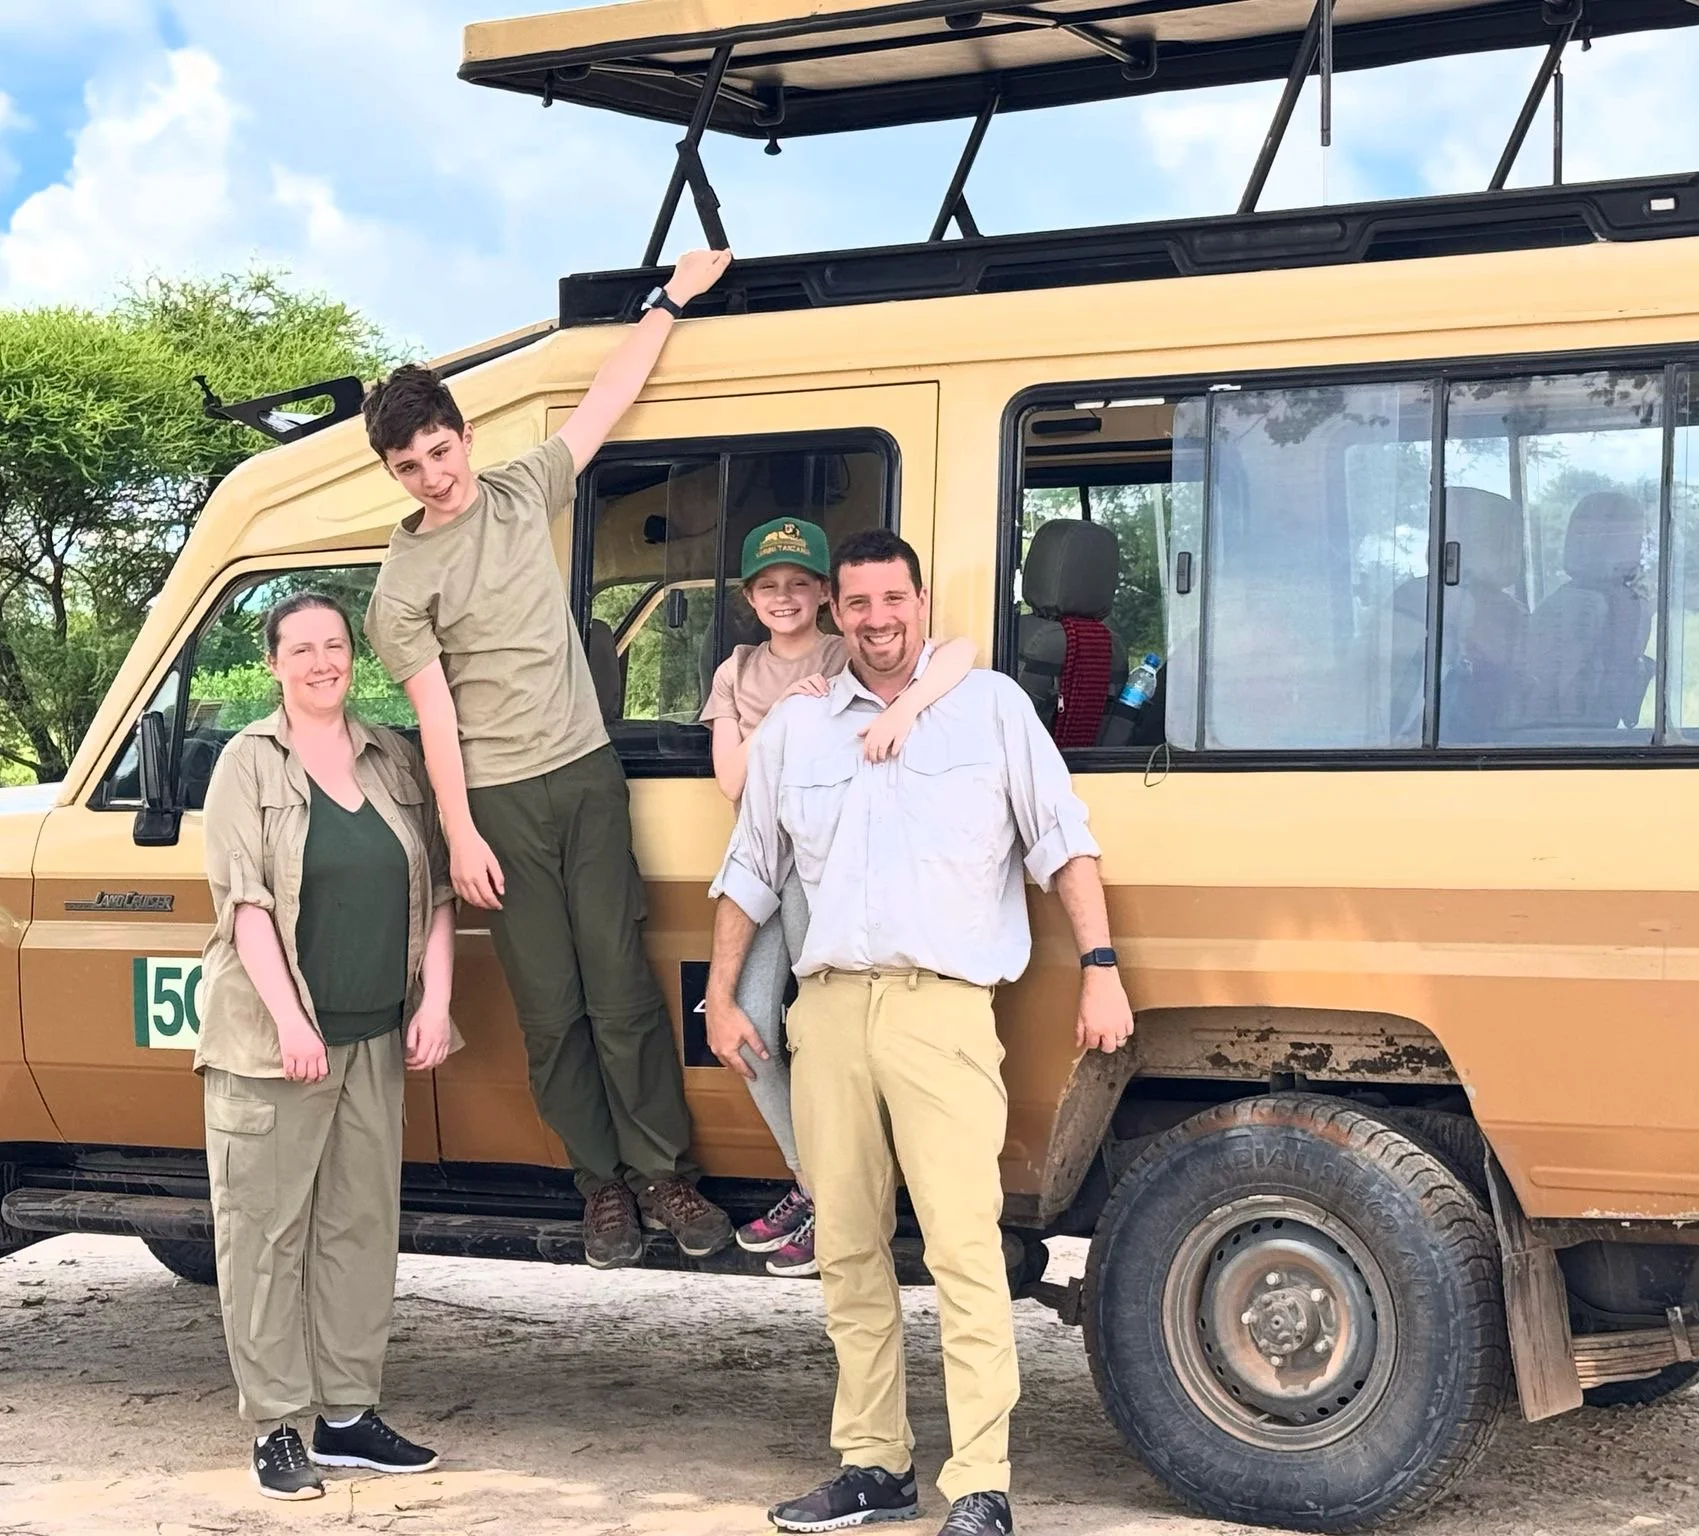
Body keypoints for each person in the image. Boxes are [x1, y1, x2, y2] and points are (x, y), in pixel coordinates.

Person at [705, 530, 1134, 1536]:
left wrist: (1101, 968)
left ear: (919, 600)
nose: (875, 619)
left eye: (890, 599)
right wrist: (723, 995)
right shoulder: (794, 733)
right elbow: (750, 870)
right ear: (836, 615)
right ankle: (872, 1464)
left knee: (962, 1251)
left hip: (942, 1011)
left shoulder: (987, 711)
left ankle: (979, 1483)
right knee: (848, 1250)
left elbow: (1061, 842)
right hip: (830, 1017)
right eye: (856, 604)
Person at [363, 247, 736, 1270]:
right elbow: (435, 717)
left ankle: (665, 1173)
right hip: (497, 800)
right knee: (551, 1006)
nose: (432, 476)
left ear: (464, 437)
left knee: (621, 984)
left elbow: (607, 398)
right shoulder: (400, 585)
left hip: (583, 776)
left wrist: (667, 302)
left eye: (439, 451)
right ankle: (600, 1186)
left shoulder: (524, 489)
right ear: (390, 473)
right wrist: (462, 833)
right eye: (409, 467)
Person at [197, 592, 460, 1501]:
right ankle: (275, 1424)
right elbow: (244, 905)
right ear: (273, 663)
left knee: (359, 1230)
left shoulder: (391, 754)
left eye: (336, 646)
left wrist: (436, 1005)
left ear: (357, 657)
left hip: (378, 1034)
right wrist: (290, 1019)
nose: (322, 662)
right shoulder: (246, 762)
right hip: (275, 1045)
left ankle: (347, 1417)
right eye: (301, 649)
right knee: (265, 1235)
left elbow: (436, 889)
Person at [705, 515, 976, 1277]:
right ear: (749, 596)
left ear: (827, 595)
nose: (784, 597)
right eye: (769, 586)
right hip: (758, 864)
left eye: (800, 584)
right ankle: (814, 1180)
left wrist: (903, 706)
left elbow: (960, 653)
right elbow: (733, 780)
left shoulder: (845, 648)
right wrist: (795, 713)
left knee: (822, 1032)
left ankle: (843, 1200)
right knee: (744, 1022)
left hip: (825, 863)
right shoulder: (737, 670)